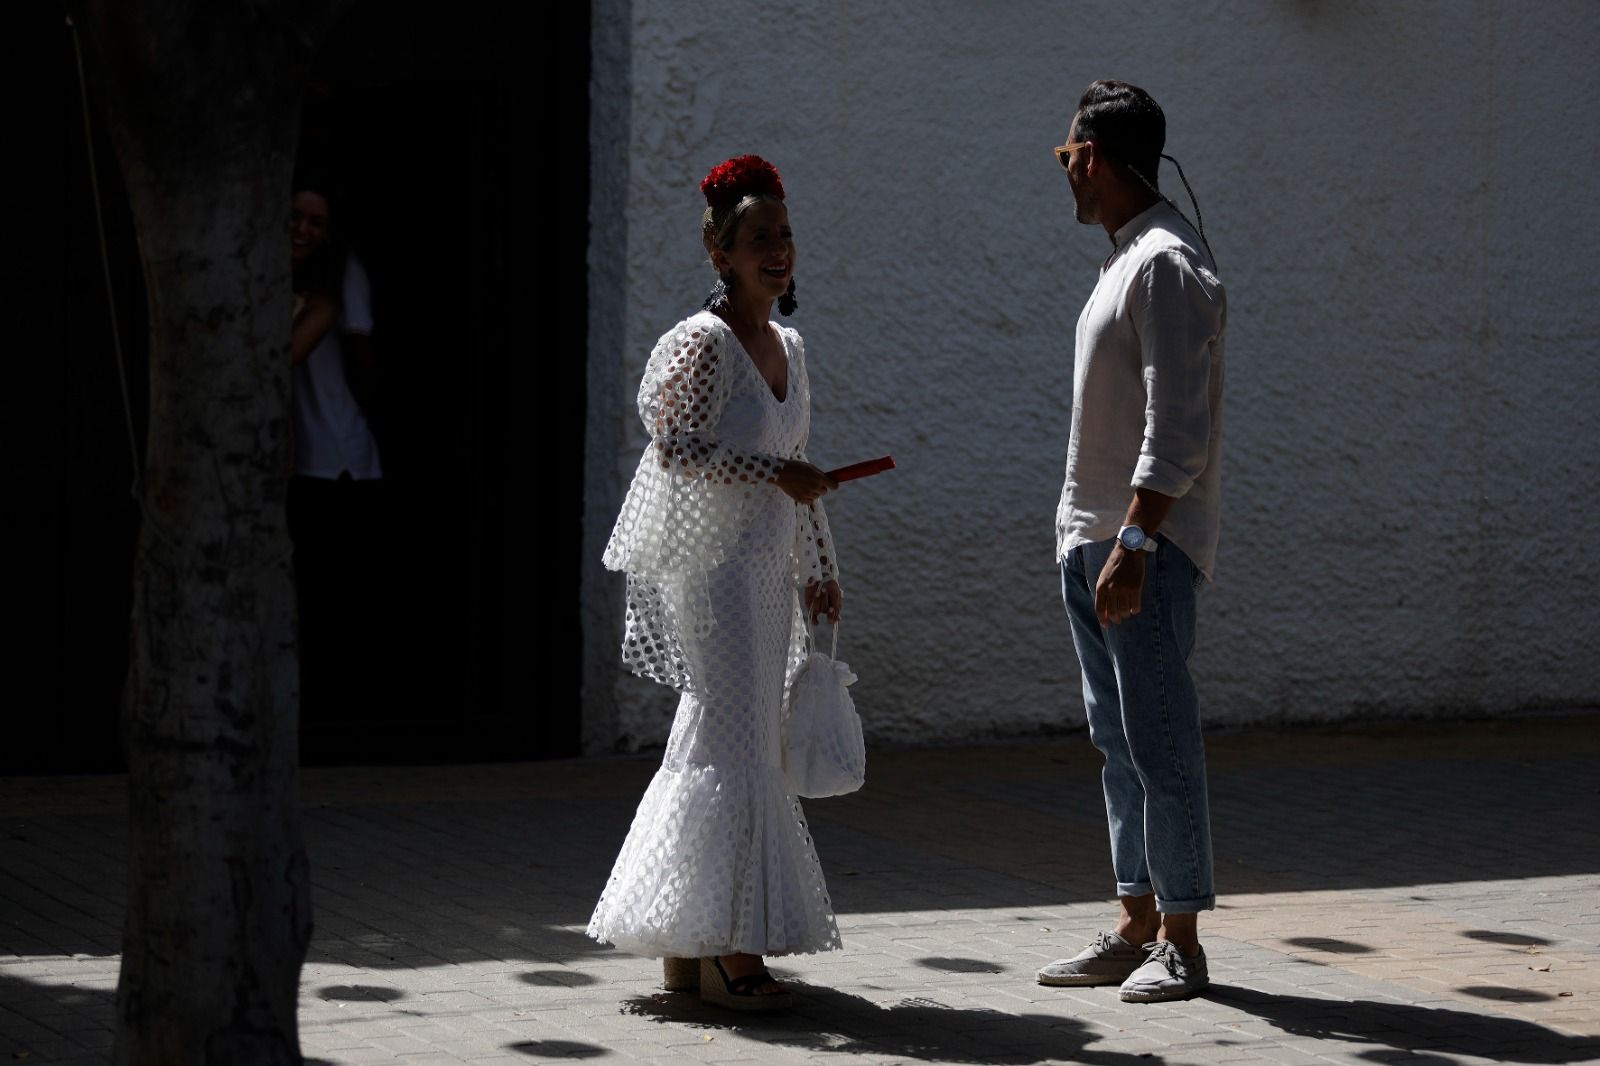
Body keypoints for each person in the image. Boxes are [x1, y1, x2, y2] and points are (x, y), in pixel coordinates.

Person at [588, 155, 845, 1011]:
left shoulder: (793, 347)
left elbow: (797, 468)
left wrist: (820, 570)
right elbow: (673, 448)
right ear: (720, 253)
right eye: (758, 238)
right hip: (719, 575)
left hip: (773, 570)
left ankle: (682, 939)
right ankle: (732, 945)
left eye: (785, 235)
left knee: (724, 742)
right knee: (734, 744)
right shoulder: (698, 343)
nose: (778, 250)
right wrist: (777, 478)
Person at [1037, 80, 1227, 1003]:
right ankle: (1136, 920)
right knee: (1118, 740)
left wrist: (1136, 543)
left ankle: (1182, 942)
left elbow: (1178, 428)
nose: (1064, 171)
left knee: (1159, 739)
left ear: (1099, 157)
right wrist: (1093, 537)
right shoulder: (1123, 261)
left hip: (1137, 548)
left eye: (1067, 154)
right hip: (1096, 540)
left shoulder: (1164, 264)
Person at [285, 181, 386, 731]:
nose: (302, 230)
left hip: (336, 455)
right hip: (300, 455)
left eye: (315, 222)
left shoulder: (334, 283)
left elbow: (359, 351)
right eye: (294, 217)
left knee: (330, 596)